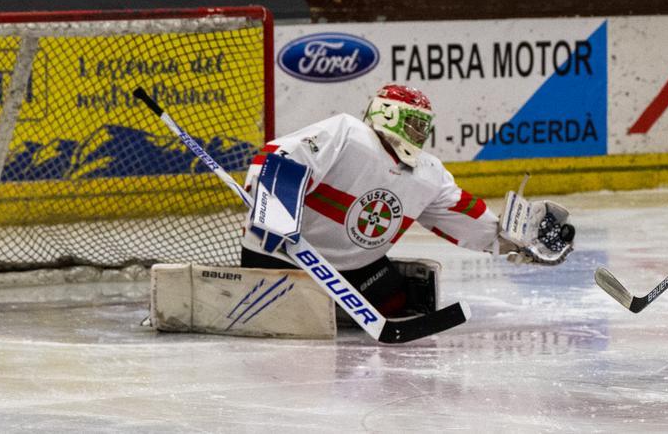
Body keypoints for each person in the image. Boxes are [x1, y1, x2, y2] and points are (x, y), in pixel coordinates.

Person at [240, 83, 575, 319]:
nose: (419, 134)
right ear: (386, 114)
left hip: (354, 269)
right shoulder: (348, 133)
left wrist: (517, 240)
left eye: (423, 127)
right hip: (284, 256)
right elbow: (281, 158)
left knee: (400, 300)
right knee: (293, 323)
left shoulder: (429, 172)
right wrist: (275, 216)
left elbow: (462, 215)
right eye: (413, 124)